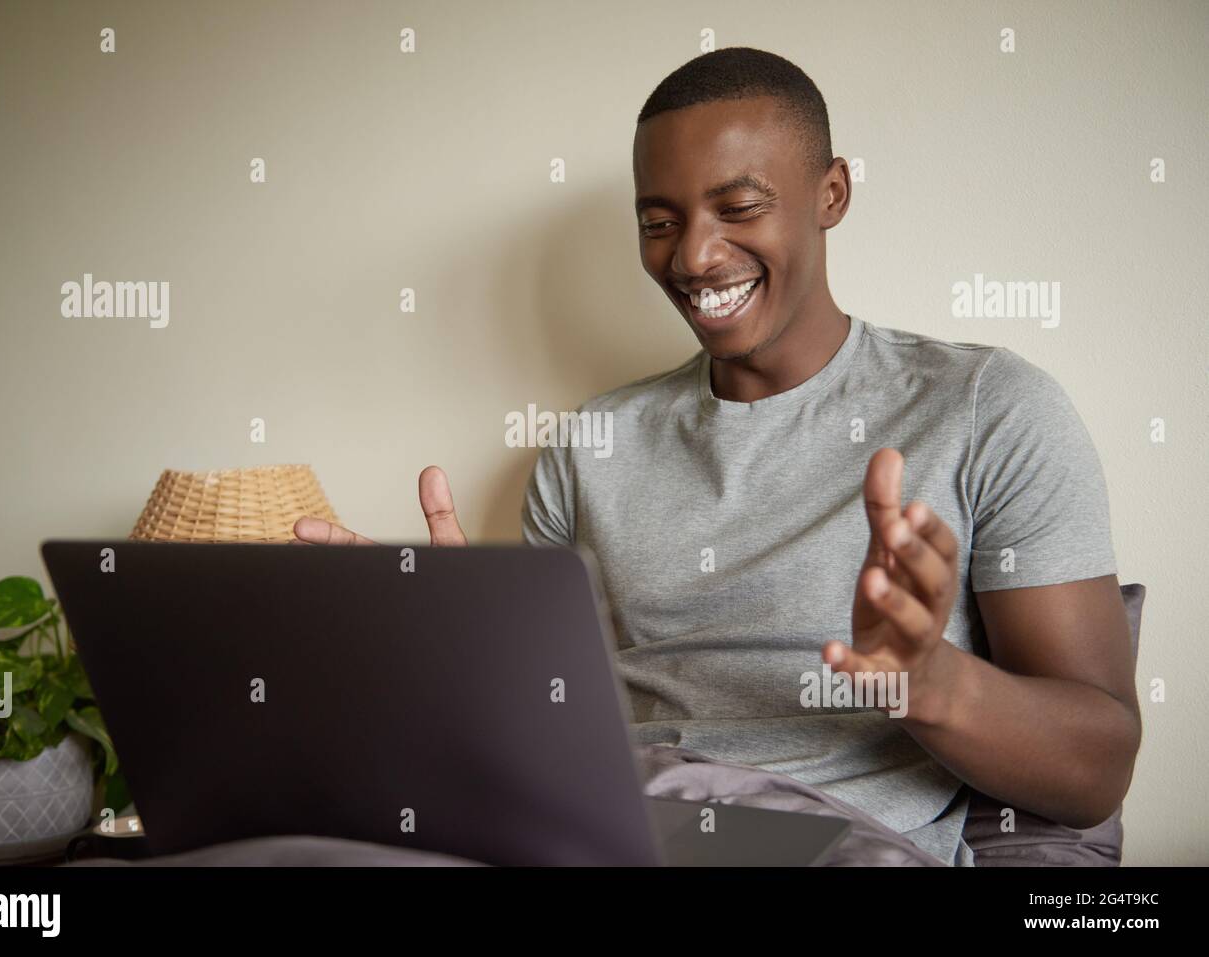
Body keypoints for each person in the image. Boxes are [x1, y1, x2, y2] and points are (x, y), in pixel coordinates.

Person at [293, 47, 1141, 866]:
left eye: (737, 209)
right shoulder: (591, 448)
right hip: (609, 828)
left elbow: (1096, 766)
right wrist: (458, 658)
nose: (693, 256)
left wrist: (929, 681)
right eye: (659, 223)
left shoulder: (988, 406)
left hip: (831, 841)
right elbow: (551, 728)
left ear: (832, 193)